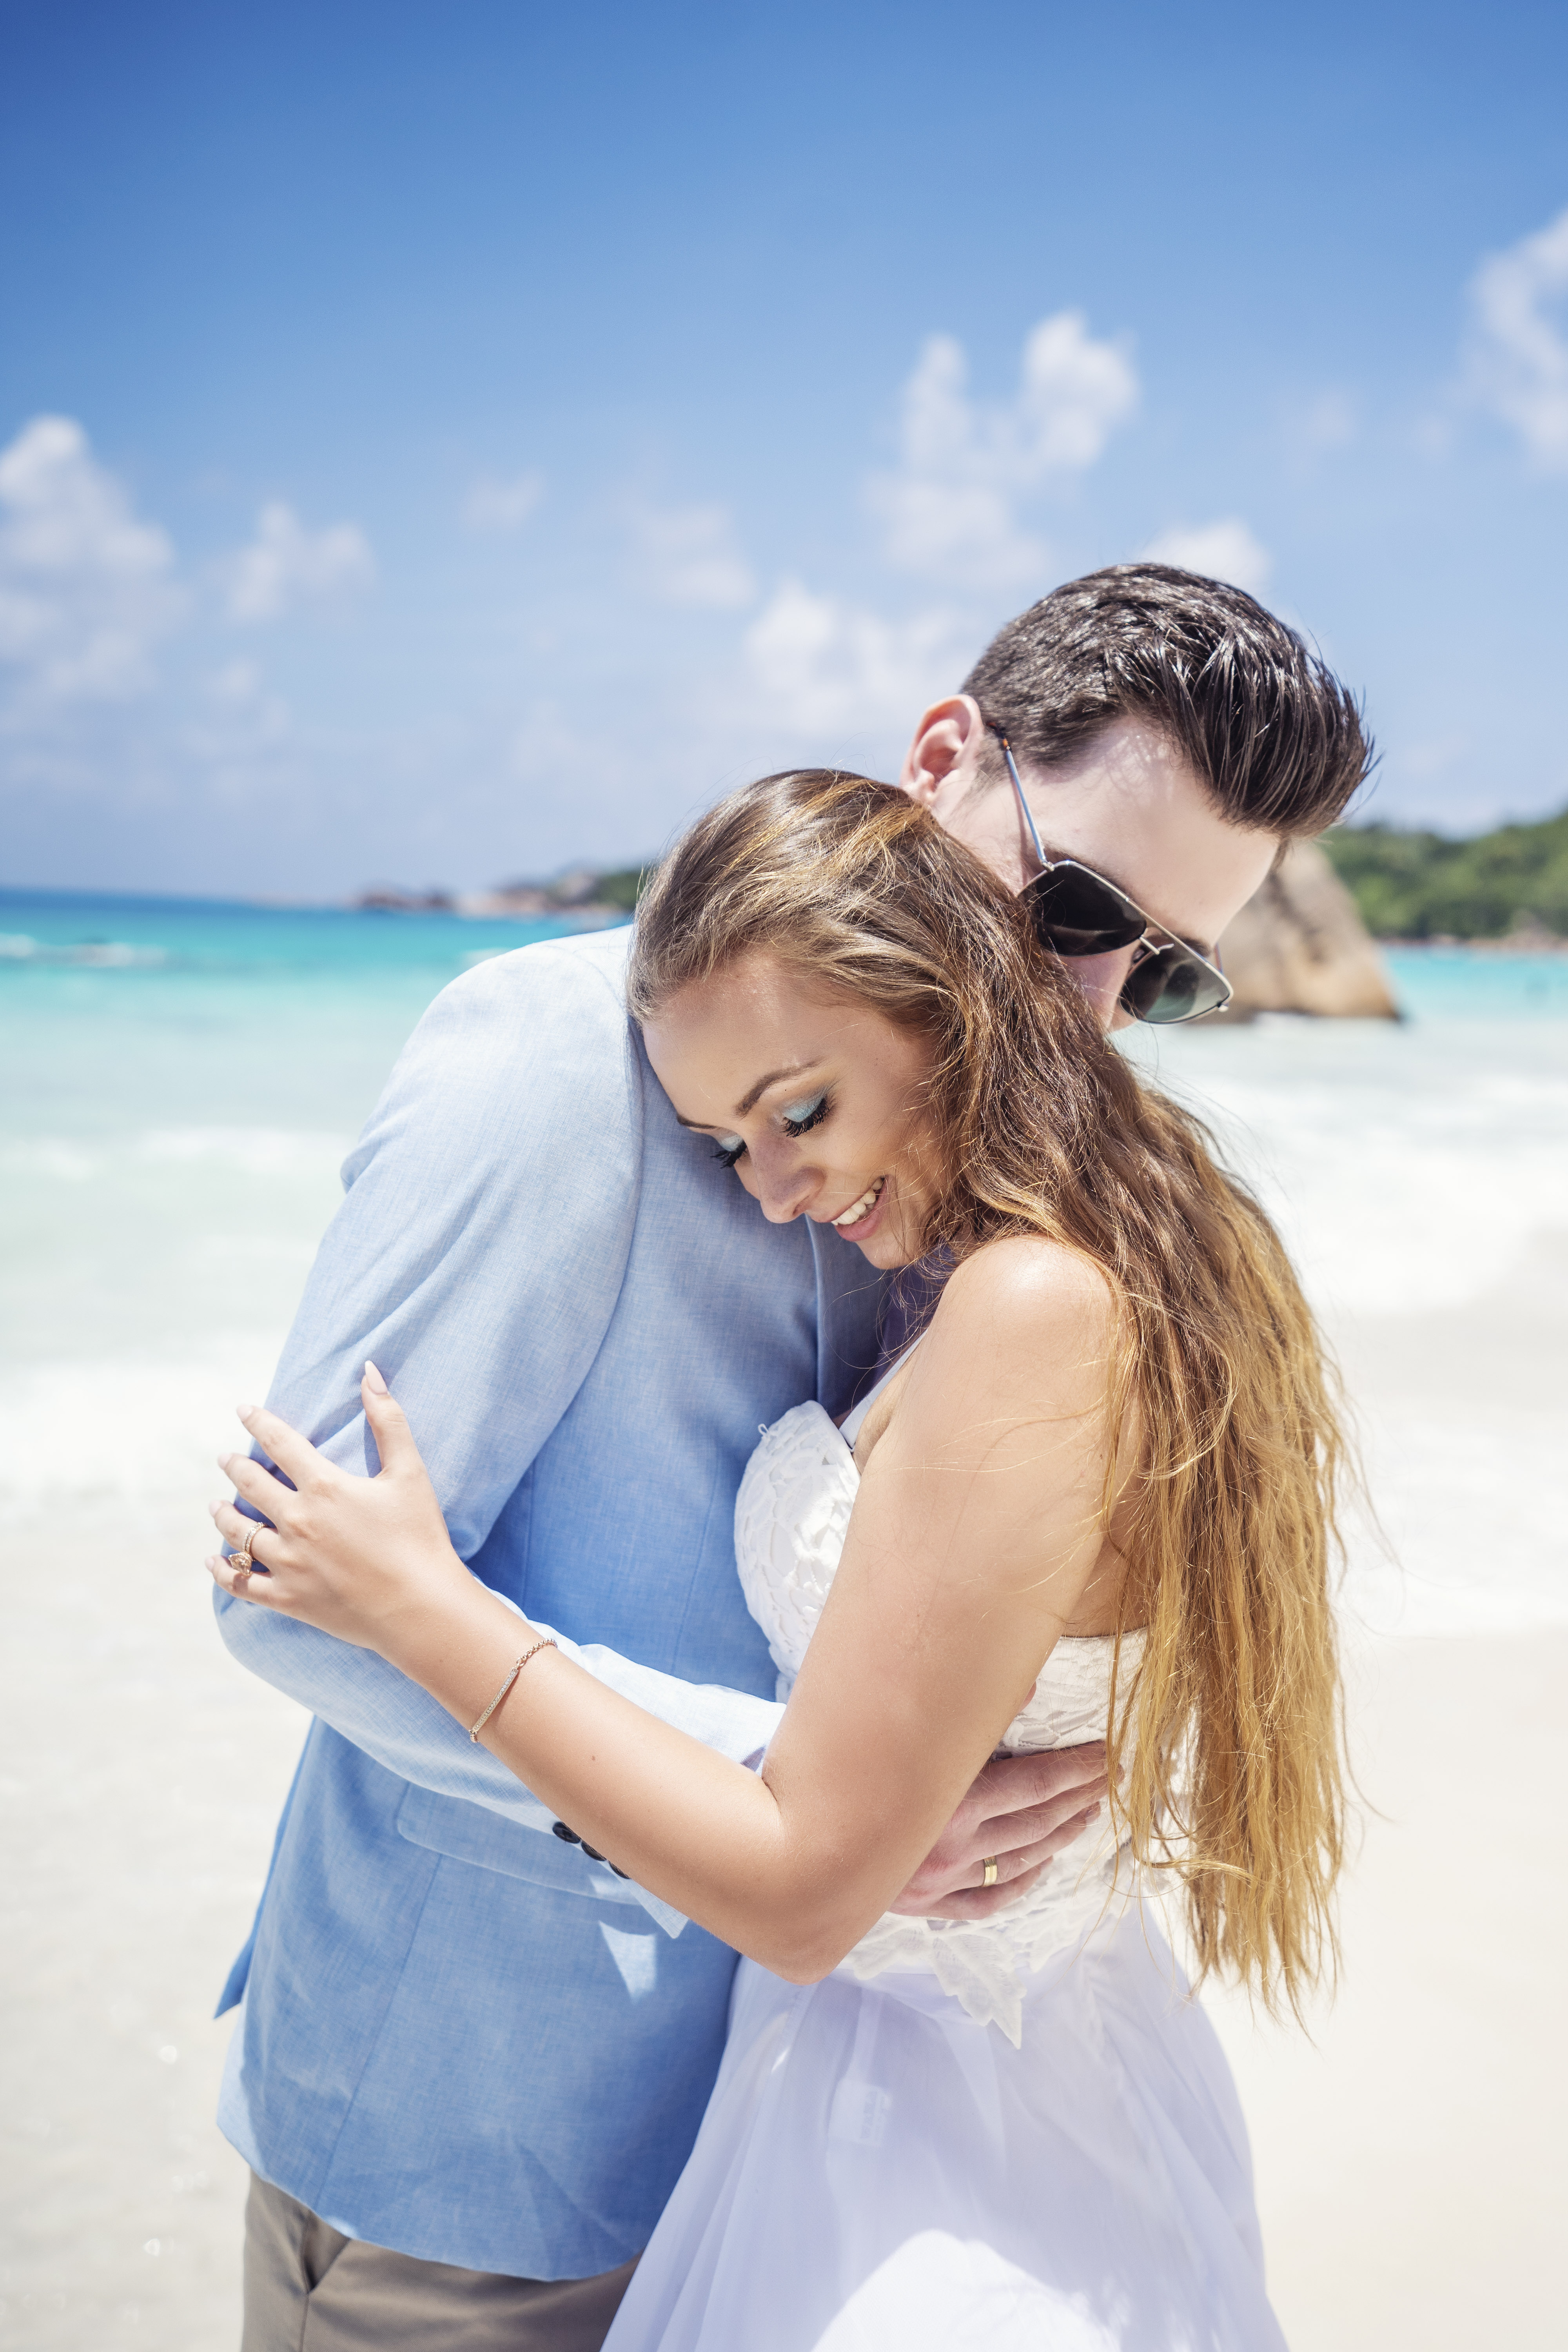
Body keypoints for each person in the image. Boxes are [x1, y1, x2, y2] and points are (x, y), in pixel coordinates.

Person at [212, 564, 1370, 2348]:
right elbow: (299, 1592)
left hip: (826, 2160)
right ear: (944, 757)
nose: (1096, 1002)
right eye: (1075, 908)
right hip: (493, 2142)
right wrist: (814, 1800)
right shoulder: (561, 1064)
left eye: (1168, 968)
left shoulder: (1050, 1208)